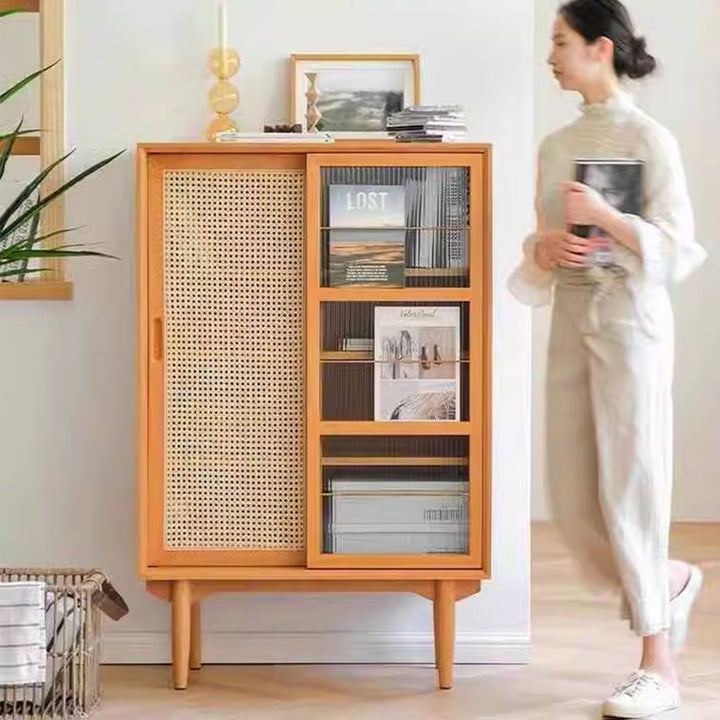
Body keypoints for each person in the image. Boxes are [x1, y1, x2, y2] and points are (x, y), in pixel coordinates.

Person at [508, 1, 708, 717]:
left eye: (559, 43)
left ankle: (660, 666)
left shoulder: (650, 139)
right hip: (571, 320)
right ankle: (673, 580)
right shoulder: (556, 144)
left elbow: (679, 247)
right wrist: (544, 247)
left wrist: (610, 217)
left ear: (600, 48)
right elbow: (541, 240)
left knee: (632, 487)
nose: (550, 56)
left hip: (632, 328)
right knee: (573, 500)